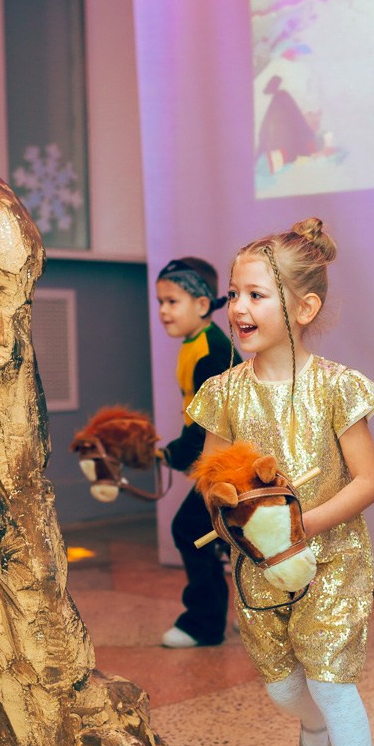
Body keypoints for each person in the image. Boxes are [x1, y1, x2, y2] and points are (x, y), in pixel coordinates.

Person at [188, 218, 374, 746]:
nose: (238, 308)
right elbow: (213, 484)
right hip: (257, 571)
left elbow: (367, 481)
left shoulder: (336, 386)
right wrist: (239, 524)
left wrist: (302, 526)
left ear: (303, 308)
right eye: (233, 294)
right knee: (282, 689)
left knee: (333, 682)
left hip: (332, 561)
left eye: (255, 295)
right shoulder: (222, 393)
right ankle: (309, 727)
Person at [156, 257, 232, 648]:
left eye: (173, 301)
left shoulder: (211, 351)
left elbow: (208, 425)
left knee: (189, 529)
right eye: (161, 302)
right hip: (216, 455)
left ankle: (204, 623)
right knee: (210, 533)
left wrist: (174, 454)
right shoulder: (194, 344)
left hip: (230, 460)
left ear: (202, 304)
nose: (163, 311)